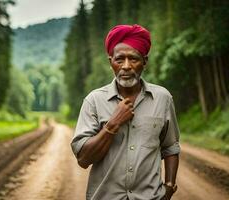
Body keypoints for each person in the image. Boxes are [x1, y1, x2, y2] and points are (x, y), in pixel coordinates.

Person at [71, 24, 180, 200]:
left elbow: (170, 147)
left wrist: (169, 187)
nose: (126, 66)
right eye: (119, 59)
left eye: (134, 59)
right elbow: (83, 160)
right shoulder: (94, 101)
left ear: (145, 61)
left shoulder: (163, 98)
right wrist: (113, 124)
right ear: (110, 62)